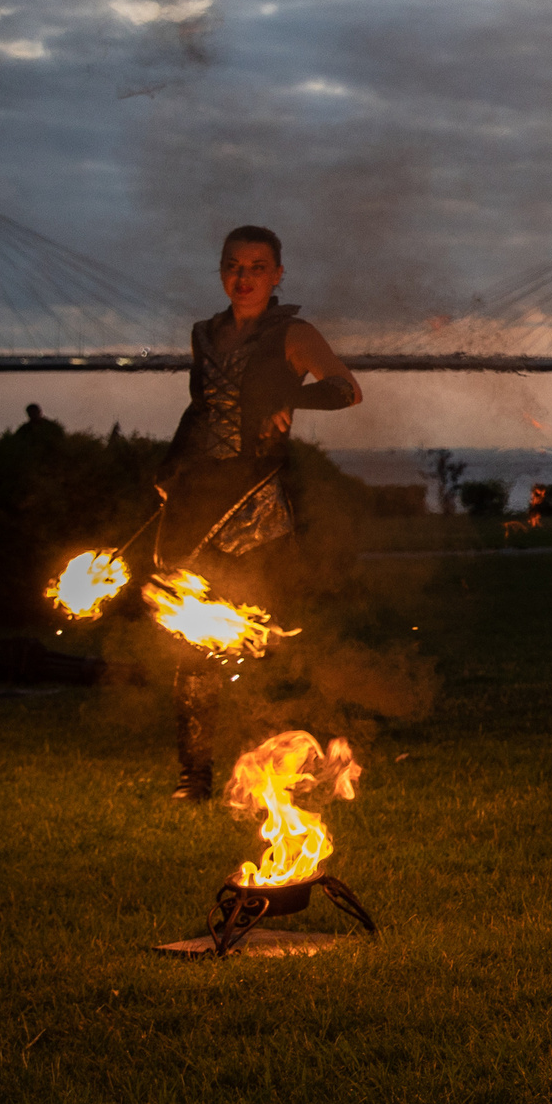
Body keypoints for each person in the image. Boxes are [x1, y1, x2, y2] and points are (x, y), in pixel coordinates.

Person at [149, 225, 361, 799]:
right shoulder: (205, 334)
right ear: (221, 272)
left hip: (259, 500)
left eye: (258, 267)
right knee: (191, 637)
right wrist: (170, 469)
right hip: (198, 496)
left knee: (263, 635)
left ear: (277, 275)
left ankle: (288, 769)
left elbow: (346, 389)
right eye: (234, 266)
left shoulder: (293, 333)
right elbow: (199, 410)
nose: (244, 278)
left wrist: (289, 399)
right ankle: (193, 779)